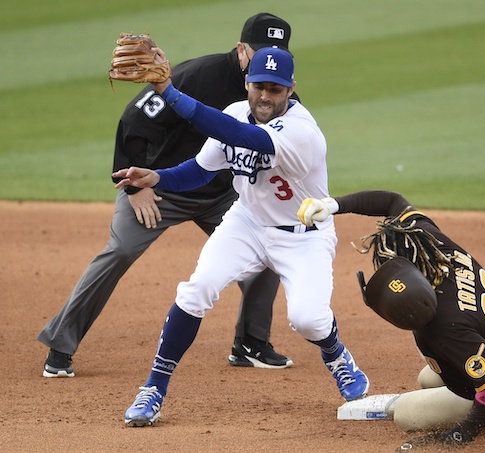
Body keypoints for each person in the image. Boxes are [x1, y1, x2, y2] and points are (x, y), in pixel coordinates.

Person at [112, 45, 369, 427]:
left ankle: (336, 355)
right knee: (196, 291)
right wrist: (159, 177)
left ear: (291, 90)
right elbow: (201, 170)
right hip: (246, 223)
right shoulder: (236, 110)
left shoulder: (301, 131)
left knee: (308, 321)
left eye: (276, 89)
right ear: (247, 82)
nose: (265, 96)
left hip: (304, 237)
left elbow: (239, 135)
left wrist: (169, 91)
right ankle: (153, 388)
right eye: (259, 86)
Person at [37, 13, 298, 378]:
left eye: (278, 53)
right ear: (241, 51)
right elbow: (133, 122)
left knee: (267, 250)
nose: (269, 65)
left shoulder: (280, 94)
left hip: (222, 197)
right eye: (260, 53)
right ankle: (61, 344)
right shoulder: (197, 76)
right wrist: (134, 188)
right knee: (121, 250)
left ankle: (251, 343)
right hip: (162, 187)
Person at [297, 191, 485, 449]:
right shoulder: (433, 242)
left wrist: (460, 435)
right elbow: (392, 201)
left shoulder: (441, 324)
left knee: (406, 414)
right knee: (428, 378)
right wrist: (333, 205)